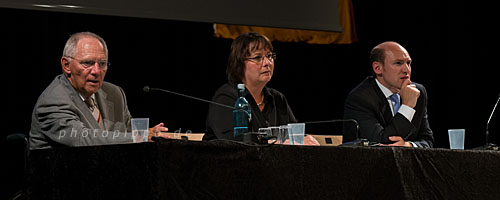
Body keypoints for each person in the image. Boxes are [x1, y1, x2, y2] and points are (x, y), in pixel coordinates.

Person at [29, 32, 169, 149]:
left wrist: (151, 134)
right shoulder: (53, 100)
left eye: (102, 64)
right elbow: (83, 139)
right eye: (87, 63)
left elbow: (126, 132)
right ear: (66, 65)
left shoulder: (114, 93)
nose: (96, 71)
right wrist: (142, 137)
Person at [204, 31, 319, 145]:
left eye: (269, 56)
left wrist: (304, 139)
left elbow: (294, 135)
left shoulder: (278, 99)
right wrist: (283, 143)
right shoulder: (226, 97)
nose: (267, 63)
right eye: (258, 57)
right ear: (239, 64)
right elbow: (235, 143)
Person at [343, 41, 434, 147]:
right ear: (378, 68)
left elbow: (428, 141)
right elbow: (381, 145)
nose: (406, 70)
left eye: (408, 63)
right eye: (398, 63)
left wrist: (409, 146)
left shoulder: (418, 92)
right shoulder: (360, 98)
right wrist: (407, 106)